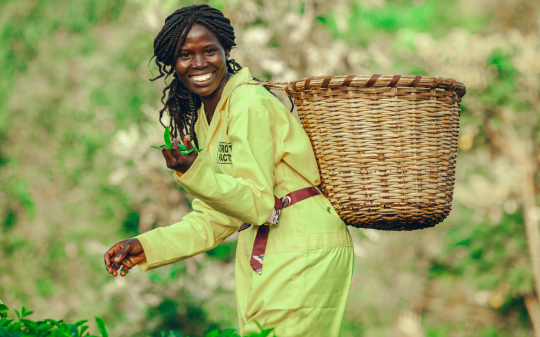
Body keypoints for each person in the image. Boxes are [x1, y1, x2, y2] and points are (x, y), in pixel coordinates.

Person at [104, 5, 354, 336]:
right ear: (172, 63)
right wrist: (146, 246)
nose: (199, 63)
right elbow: (216, 217)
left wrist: (194, 171)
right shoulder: (210, 118)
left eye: (209, 51)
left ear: (225, 51)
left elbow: (259, 205)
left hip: (301, 244)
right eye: (185, 55)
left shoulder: (248, 105)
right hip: (272, 246)